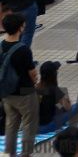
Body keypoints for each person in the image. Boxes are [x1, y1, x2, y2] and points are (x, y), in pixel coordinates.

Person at [0, 11, 38, 157]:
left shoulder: (1, 46)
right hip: (25, 93)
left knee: (11, 124)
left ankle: (10, 153)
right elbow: (32, 73)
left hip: (6, 92)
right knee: (29, 125)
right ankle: (26, 154)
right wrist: (35, 80)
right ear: (21, 28)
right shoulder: (23, 50)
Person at [35, 61, 78, 136]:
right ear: (54, 75)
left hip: (32, 126)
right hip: (46, 127)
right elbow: (68, 108)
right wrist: (65, 99)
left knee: (57, 106)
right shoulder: (54, 90)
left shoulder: (36, 87)